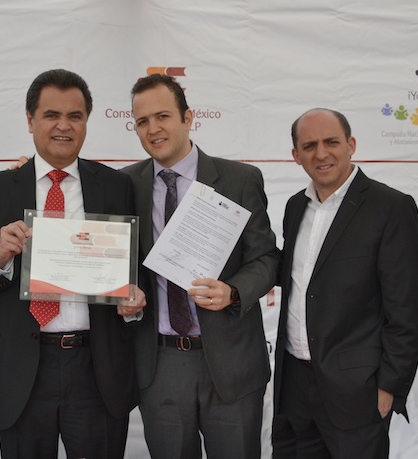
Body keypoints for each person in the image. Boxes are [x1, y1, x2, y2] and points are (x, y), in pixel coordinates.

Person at [0, 69, 145, 459]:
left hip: (97, 368)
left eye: (75, 116)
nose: (64, 125)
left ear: (87, 122)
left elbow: (134, 270)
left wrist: (133, 300)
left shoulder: (116, 186)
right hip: (22, 368)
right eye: (51, 115)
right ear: (30, 120)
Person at [122, 74, 279, 459]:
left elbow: (266, 258)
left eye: (162, 116)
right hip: (160, 364)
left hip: (231, 362)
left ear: (188, 118)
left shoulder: (240, 180)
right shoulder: (124, 184)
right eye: (142, 121)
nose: (153, 129)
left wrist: (233, 291)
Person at [272, 108, 418, 458]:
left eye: (331, 142)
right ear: (296, 155)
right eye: (309, 146)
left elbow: (406, 308)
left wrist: (389, 386)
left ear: (351, 145)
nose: (321, 154)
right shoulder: (295, 206)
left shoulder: (391, 207)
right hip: (294, 386)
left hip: (358, 392)